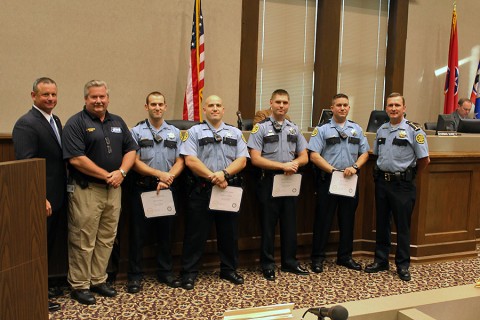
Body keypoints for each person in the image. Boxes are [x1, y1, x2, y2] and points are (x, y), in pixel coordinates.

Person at [62, 80, 138, 304]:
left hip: (114, 189)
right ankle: (80, 285)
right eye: (93, 97)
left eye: (102, 97)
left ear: (108, 98)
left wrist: (121, 172)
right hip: (87, 190)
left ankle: (98, 279)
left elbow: (131, 149)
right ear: (86, 99)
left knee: (106, 238)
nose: (98, 101)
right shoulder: (75, 123)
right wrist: (107, 175)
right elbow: (76, 159)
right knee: (83, 238)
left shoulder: (117, 121)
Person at [179, 95, 248, 290]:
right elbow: (190, 160)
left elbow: (242, 160)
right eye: (211, 105)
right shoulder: (193, 132)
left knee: (229, 232)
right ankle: (189, 273)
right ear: (204, 109)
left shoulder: (235, 132)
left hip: (228, 188)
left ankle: (229, 269)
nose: (215, 108)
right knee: (195, 234)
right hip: (202, 188)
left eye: (218, 105)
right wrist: (213, 176)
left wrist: (224, 174)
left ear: (223, 109)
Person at [12, 77, 66, 312]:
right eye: (45, 95)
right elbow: (26, 163)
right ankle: (35, 295)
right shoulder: (26, 123)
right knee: (37, 248)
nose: (51, 99)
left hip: (58, 196)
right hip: (41, 199)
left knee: (49, 246)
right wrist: (39, 197)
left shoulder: (55, 120)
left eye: (53, 94)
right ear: (33, 96)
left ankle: (43, 286)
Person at [365, 92, 430, 281]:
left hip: (403, 185)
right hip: (382, 183)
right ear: (386, 109)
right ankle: (381, 260)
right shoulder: (382, 130)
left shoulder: (414, 131)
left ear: (404, 108)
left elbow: (424, 159)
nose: (393, 109)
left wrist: (409, 175)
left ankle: (402, 265)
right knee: (382, 222)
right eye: (390, 106)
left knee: (403, 226)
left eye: (397, 105)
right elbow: (376, 155)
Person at [247, 89, 309, 281]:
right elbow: (255, 158)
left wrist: (295, 164)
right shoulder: (261, 128)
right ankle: (267, 264)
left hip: (289, 180)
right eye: (278, 102)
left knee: (290, 224)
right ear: (271, 103)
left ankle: (289, 262)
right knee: (268, 225)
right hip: (269, 180)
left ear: (288, 105)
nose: (281, 105)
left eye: (285, 102)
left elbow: (305, 155)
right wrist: (282, 165)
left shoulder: (293, 128)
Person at [126, 92, 185, 293]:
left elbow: (180, 160)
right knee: (138, 235)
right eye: (153, 104)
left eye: (160, 104)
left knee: (166, 233)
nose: (157, 108)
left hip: (167, 188)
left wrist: (168, 178)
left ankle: (165, 272)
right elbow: (133, 161)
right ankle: (134, 276)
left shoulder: (176, 132)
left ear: (165, 107)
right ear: (146, 107)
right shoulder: (135, 132)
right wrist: (159, 174)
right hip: (143, 188)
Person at [307, 93, 370, 273]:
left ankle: (345, 257)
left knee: (347, 220)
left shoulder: (356, 129)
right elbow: (314, 155)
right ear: (332, 108)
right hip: (328, 180)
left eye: (345, 105)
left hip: (350, 180)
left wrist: (355, 167)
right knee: (323, 220)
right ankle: (317, 258)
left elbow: (365, 153)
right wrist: (332, 170)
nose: (342, 108)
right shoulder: (322, 130)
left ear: (349, 108)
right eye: (339, 105)